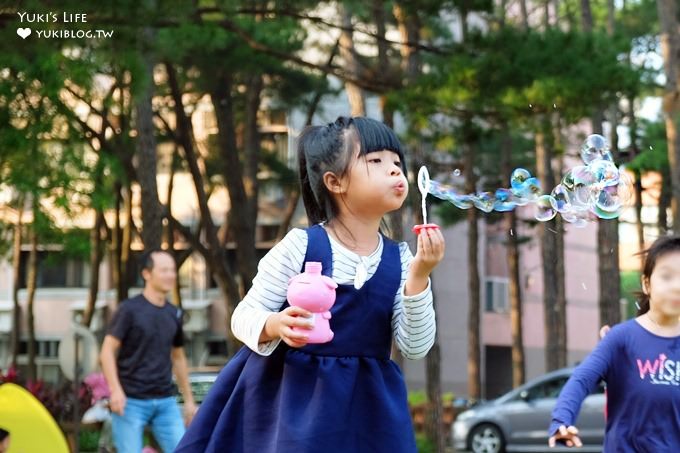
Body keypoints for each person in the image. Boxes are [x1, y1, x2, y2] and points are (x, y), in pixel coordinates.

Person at [175, 116, 446, 452]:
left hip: (368, 410)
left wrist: (420, 275)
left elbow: (415, 347)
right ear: (335, 182)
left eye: (396, 162)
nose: (394, 170)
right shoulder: (301, 245)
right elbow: (243, 316)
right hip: (296, 403)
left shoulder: (403, 259)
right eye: (375, 161)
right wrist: (275, 324)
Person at [548, 235, 680, 451]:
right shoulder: (620, 338)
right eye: (667, 277)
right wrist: (561, 420)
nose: (677, 286)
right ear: (647, 284)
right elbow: (581, 380)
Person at [100, 249, 197, 453]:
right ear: (147, 273)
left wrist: (189, 401)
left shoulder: (174, 313)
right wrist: (115, 390)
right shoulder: (129, 310)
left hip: (165, 401)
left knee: (185, 449)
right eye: (164, 270)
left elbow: (178, 357)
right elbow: (107, 351)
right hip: (130, 401)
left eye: (172, 270)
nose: (170, 275)